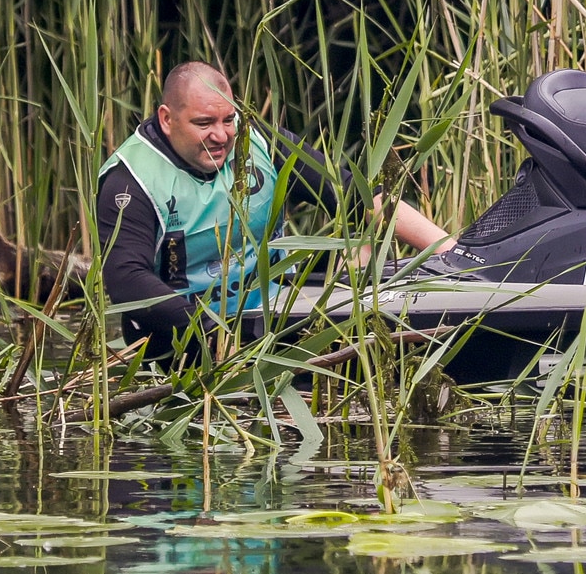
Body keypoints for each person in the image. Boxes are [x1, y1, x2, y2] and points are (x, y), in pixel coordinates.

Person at [95, 61, 452, 365]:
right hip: (182, 343)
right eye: (204, 124)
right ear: (167, 119)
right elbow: (126, 280)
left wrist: (449, 250)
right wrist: (207, 334)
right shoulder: (130, 180)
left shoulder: (259, 141)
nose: (221, 136)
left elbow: (356, 195)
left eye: (228, 120)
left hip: (273, 320)